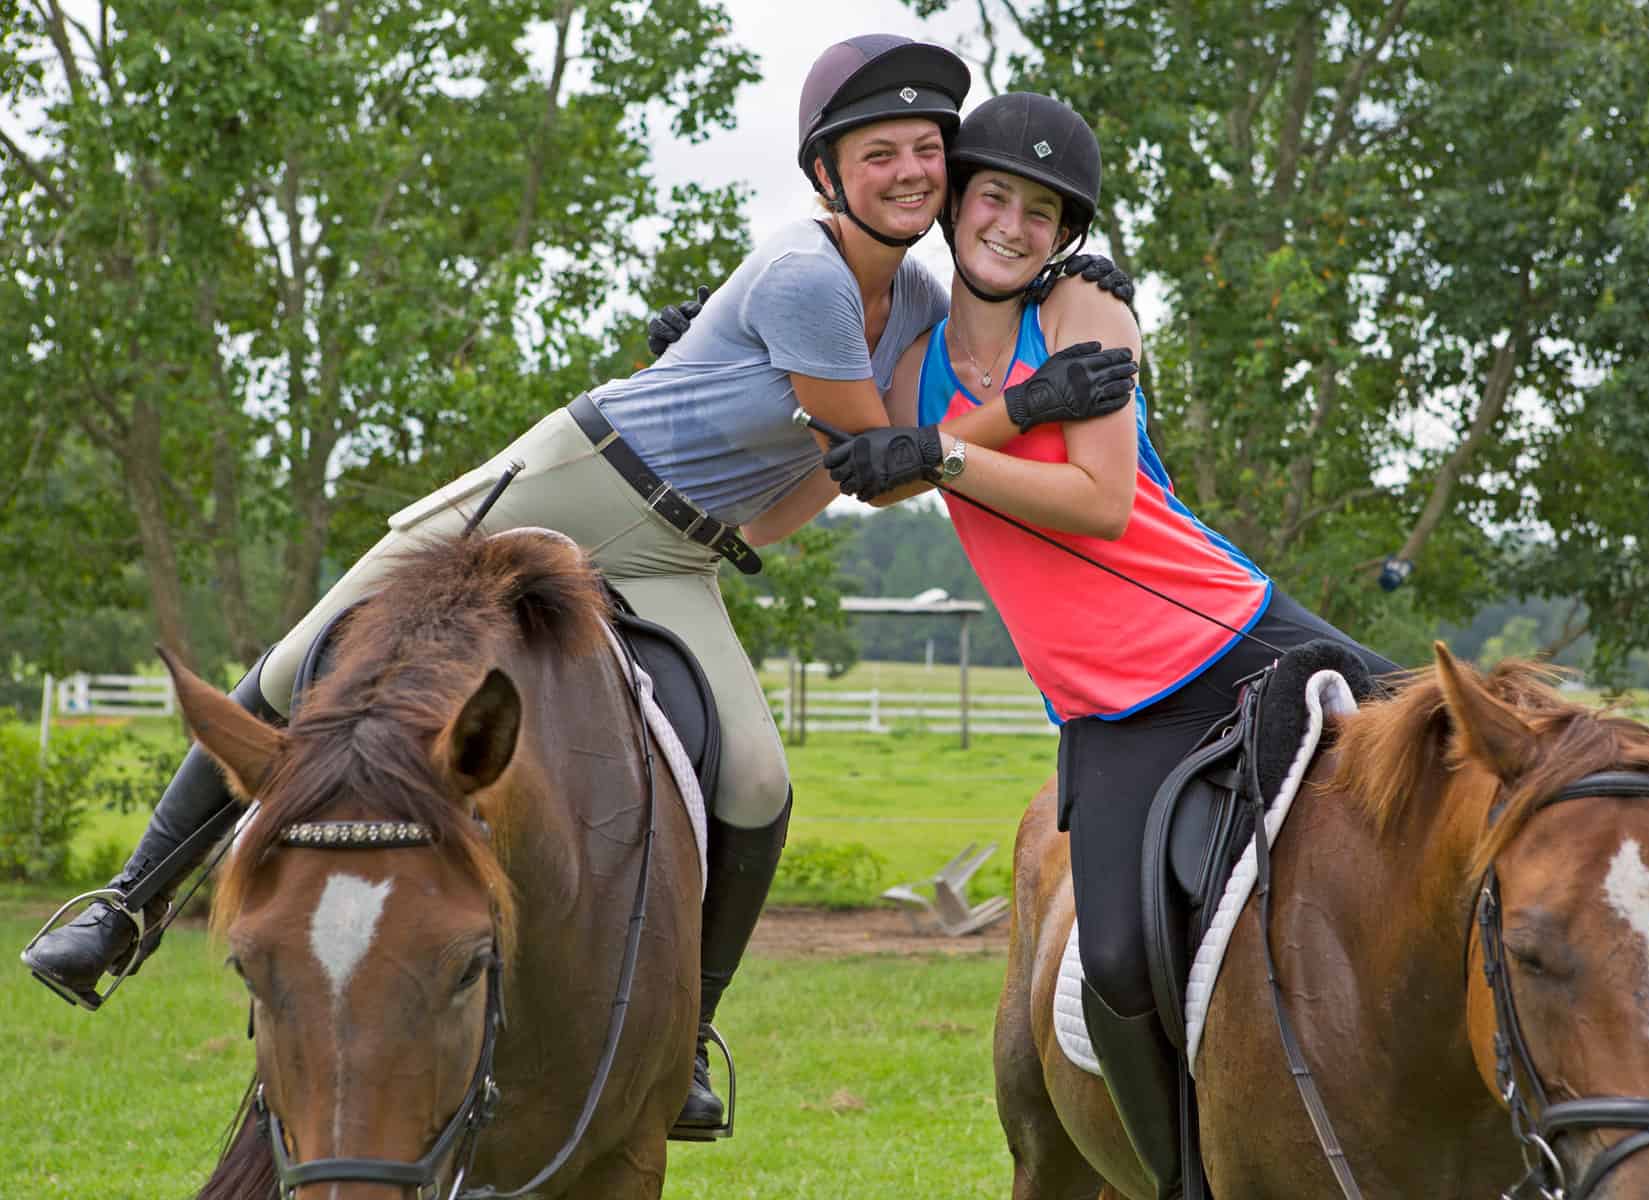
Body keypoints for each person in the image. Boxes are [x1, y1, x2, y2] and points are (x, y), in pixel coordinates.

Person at [19, 35, 1139, 1143]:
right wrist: (1035, 411)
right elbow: (882, 454)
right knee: (295, 659)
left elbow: (896, 464)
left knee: (755, 779)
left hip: (677, 550)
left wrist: (1067, 280)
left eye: (925, 152)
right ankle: (123, 909)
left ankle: (685, 1033)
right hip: (575, 484)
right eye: (879, 150)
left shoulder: (922, 299)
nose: (909, 170)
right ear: (825, 174)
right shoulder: (805, 276)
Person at [823, 92, 1400, 1198]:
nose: (1013, 224)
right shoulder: (908, 368)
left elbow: (1095, 499)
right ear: (955, 205)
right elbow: (867, 468)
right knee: (1121, 964)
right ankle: (1187, 1173)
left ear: (1067, 235)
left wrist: (936, 455)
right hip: (1116, 710)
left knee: (1494, 778)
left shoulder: (1086, 308)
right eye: (994, 194)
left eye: (1044, 210)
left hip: (1245, 633)